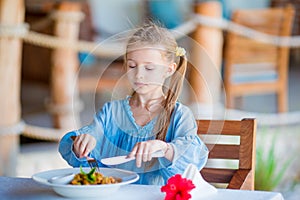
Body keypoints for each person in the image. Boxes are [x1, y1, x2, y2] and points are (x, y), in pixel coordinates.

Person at [59, 21, 208, 185]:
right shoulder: (112, 112)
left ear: (169, 69)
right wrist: (83, 142)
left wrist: (165, 149)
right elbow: (85, 139)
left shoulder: (179, 115)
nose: (138, 75)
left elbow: (192, 160)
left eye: (149, 68)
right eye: (132, 66)